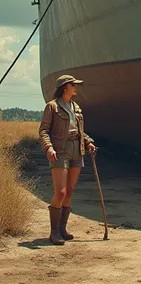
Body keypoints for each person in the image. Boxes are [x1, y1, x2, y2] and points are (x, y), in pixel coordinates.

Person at [39, 74, 96, 245]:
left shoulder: (76, 107)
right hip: (60, 151)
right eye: (73, 85)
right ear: (65, 87)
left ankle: (62, 228)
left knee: (69, 191)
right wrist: (48, 147)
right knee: (61, 192)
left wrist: (88, 142)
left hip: (76, 151)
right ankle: (54, 231)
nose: (76, 87)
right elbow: (43, 131)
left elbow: (79, 131)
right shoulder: (52, 107)